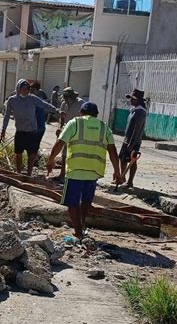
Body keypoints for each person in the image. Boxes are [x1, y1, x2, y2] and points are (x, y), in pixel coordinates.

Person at [46, 102, 122, 241]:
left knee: (72, 202)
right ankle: (82, 225)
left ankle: (78, 231)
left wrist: (50, 160)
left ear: (81, 112)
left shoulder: (74, 123)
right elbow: (112, 152)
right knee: (86, 200)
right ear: (96, 114)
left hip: (75, 170)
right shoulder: (104, 127)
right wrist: (117, 171)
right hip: (93, 171)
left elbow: (60, 142)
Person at [0, 79, 56, 175]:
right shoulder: (12, 100)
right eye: (23, 88)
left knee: (32, 153)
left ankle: (29, 173)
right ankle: (18, 173)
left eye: (27, 88)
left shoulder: (32, 98)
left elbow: (44, 105)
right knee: (18, 153)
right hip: (20, 131)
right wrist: (3, 130)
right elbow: (7, 116)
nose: (25, 90)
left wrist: (57, 111)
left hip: (32, 131)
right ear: (18, 89)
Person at [119, 88, 147, 189]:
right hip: (127, 139)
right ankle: (122, 178)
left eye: (132, 99)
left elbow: (137, 129)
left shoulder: (140, 112)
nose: (130, 100)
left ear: (138, 100)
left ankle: (130, 182)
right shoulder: (133, 110)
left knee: (132, 161)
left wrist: (132, 143)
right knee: (122, 159)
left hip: (133, 142)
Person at [56, 87, 85, 180]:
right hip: (67, 130)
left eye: (68, 98)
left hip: (78, 131)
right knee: (64, 154)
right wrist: (60, 128)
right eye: (65, 98)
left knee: (76, 153)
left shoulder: (81, 103)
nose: (66, 100)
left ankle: (75, 174)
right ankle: (62, 174)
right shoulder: (64, 104)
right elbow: (62, 118)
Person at [29, 81, 48, 151]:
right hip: (34, 128)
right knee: (33, 147)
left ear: (37, 90)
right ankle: (35, 159)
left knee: (33, 147)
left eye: (33, 90)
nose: (31, 91)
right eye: (30, 90)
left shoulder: (39, 101)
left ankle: (35, 159)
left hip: (38, 127)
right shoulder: (31, 99)